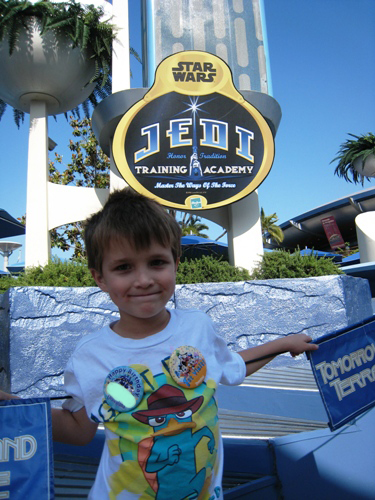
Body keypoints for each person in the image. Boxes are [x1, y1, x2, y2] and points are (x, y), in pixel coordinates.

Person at [0, 188, 318, 499]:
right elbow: (78, 430)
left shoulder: (197, 327)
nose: (143, 279)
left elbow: (230, 366)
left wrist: (282, 344)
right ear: (100, 278)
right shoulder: (91, 357)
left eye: (156, 262)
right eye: (124, 267)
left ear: (176, 262)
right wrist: (9, 405)